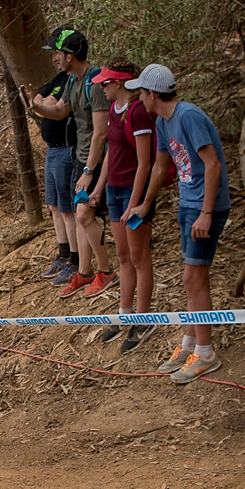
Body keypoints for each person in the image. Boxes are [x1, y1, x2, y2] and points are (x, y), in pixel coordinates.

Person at [126, 64, 231, 383]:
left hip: (205, 207)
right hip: (188, 203)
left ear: (153, 94)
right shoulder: (162, 123)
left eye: (141, 92)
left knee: (193, 279)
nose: (139, 98)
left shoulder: (188, 116)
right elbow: (160, 168)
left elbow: (212, 164)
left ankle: (206, 353)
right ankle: (189, 345)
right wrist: (145, 203)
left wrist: (207, 213)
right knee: (192, 279)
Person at [32, 28, 113, 298]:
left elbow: (101, 133)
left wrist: (90, 171)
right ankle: (85, 272)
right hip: (80, 158)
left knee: (83, 215)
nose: (55, 58)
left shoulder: (96, 83)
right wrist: (37, 107)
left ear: (70, 54)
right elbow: (60, 110)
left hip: (94, 161)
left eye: (57, 53)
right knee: (80, 217)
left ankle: (106, 271)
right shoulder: (71, 80)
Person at [91, 59, 158, 353]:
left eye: (105, 83)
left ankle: (142, 319)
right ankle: (125, 312)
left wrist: (136, 203)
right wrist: (98, 188)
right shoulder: (113, 113)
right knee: (123, 255)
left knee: (139, 256)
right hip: (115, 190)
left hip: (133, 191)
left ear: (119, 84)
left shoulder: (138, 113)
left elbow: (145, 163)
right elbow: (110, 153)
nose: (102, 88)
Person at [20, 54, 80, 286]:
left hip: (67, 148)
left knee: (67, 208)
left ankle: (75, 260)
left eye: (57, 52)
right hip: (52, 149)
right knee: (54, 205)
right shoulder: (59, 78)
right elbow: (38, 97)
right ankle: (63, 254)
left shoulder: (73, 81)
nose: (54, 57)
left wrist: (41, 105)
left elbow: (55, 107)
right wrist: (40, 103)